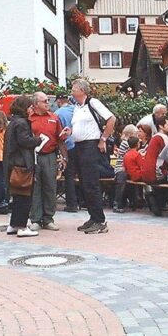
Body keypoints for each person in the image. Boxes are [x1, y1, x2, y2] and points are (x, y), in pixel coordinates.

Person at [68, 79, 116, 234]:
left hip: (90, 146)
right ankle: (93, 217)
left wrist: (103, 139)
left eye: (74, 88)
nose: (72, 91)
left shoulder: (93, 102)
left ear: (83, 90)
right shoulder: (77, 107)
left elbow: (111, 119)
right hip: (79, 146)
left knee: (91, 183)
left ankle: (100, 221)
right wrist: (70, 132)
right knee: (83, 183)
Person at [4, 94, 39, 237]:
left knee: (18, 195)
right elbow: (25, 141)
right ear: (25, 108)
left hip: (13, 163)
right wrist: (38, 140)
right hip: (22, 164)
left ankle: (13, 224)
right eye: (30, 106)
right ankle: (22, 226)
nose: (32, 109)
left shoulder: (13, 122)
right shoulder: (22, 123)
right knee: (24, 196)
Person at [29, 91, 63, 231]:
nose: (48, 103)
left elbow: (60, 139)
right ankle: (35, 219)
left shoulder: (54, 118)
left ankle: (48, 218)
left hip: (50, 155)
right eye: (44, 101)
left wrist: (63, 157)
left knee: (50, 186)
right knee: (35, 187)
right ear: (36, 104)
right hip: (34, 156)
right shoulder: (29, 119)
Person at [55, 92, 79, 213]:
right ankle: (83, 201)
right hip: (80, 145)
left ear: (59, 102)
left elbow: (57, 134)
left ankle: (72, 204)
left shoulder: (57, 114)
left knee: (69, 175)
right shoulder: (76, 110)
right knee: (81, 174)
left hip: (68, 146)